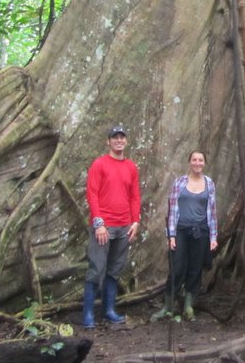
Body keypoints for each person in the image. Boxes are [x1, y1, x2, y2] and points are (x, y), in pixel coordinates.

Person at [82, 125, 142, 328]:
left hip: (124, 226)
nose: (119, 140)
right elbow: (92, 193)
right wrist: (99, 224)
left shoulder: (131, 167)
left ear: (126, 141)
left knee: (115, 270)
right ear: (108, 141)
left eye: (122, 137)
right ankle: (88, 314)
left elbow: (134, 196)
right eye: (115, 137)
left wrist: (135, 222)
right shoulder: (99, 164)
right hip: (104, 227)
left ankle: (109, 310)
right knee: (96, 269)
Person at [151, 150, 218, 322]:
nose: (197, 163)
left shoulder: (209, 183)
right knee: (177, 267)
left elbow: (212, 212)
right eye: (194, 160)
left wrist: (213, 237)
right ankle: (168, 306)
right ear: (189, 162)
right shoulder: (179, 182)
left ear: (205, 163)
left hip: (200, 231)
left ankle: (188, 306)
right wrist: (171, 235)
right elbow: (172, 210)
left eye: (200, 160)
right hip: (181, 230)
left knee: (195, 268)